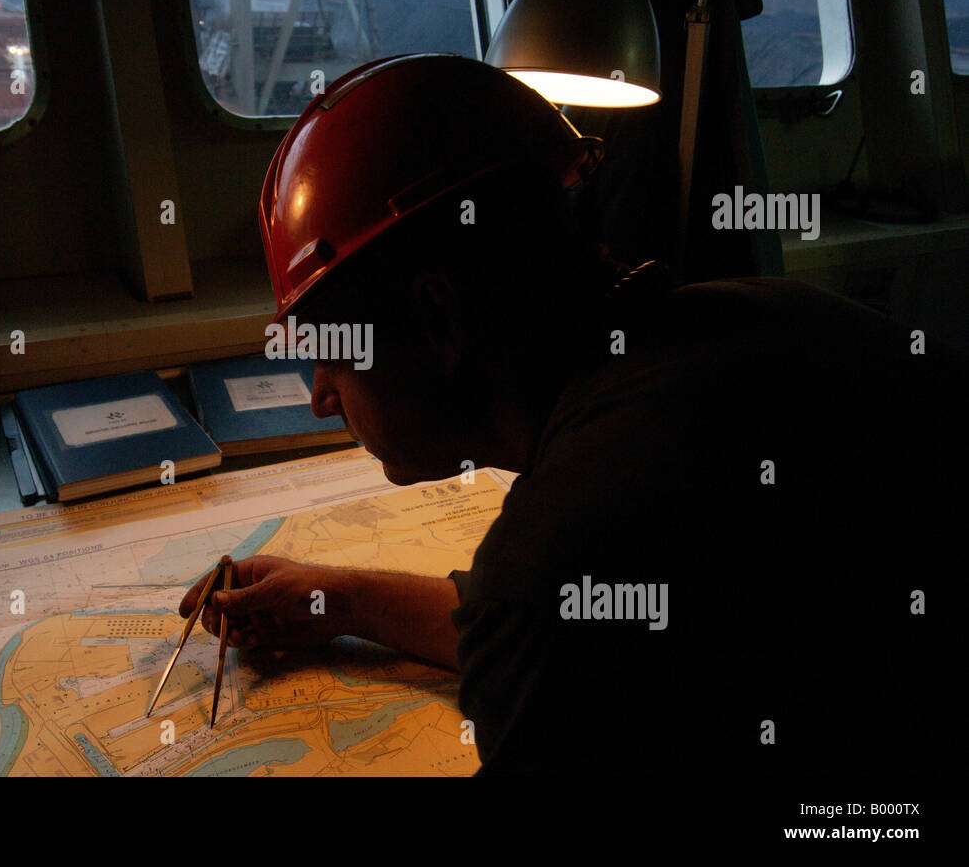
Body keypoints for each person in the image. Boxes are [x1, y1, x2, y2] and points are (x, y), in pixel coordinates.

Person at [181, 54, 966, 776]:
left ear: (436, 319)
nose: (320, 393)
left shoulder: (554, 559)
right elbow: (591, 613)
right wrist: (339, 599)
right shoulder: (769, 319)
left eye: (332, 348)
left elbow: (549, 611)